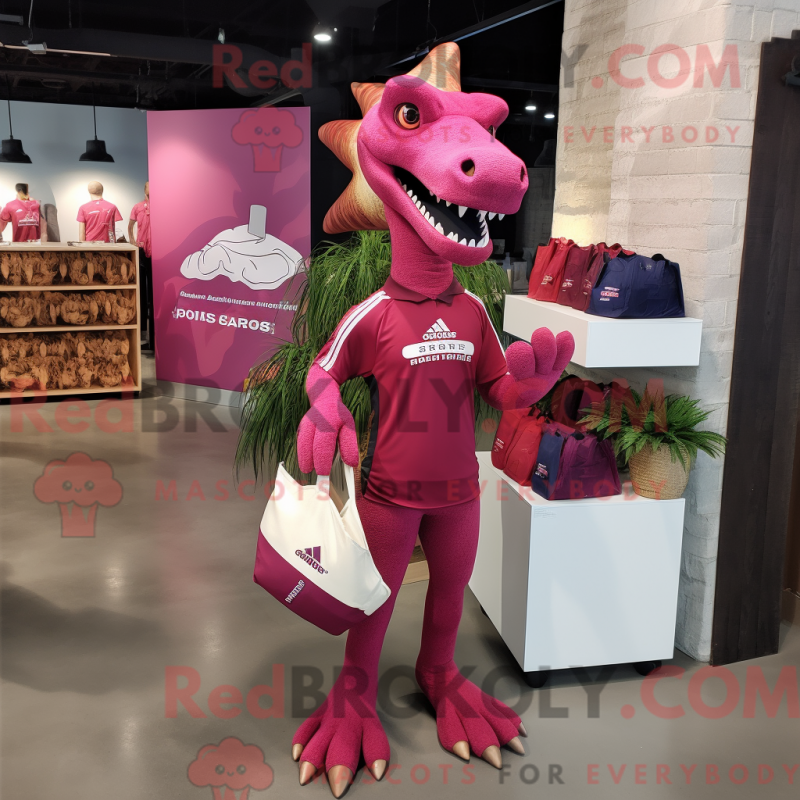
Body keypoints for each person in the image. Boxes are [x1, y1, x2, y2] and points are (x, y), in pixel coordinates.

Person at [129, 182, 155, 350]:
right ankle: (143, 334)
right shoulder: (137, 207)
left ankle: (153, 338)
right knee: (141, 292)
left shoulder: (161, 207)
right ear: (144, 190)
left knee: (154, 294)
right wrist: (133, 242)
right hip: (141, 251)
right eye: (148, 187)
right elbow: (130, 226)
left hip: (157, 252)